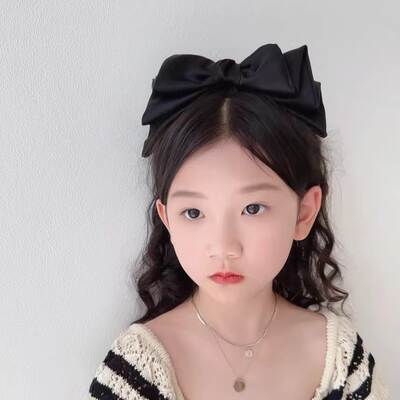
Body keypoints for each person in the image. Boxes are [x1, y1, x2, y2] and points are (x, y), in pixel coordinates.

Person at [87, 43, 389, 399]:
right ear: (166, 220)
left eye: (253, 208)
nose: (224, 247)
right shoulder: (137, 367)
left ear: (304, 212)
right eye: (194, 213)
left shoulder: (337, 358)